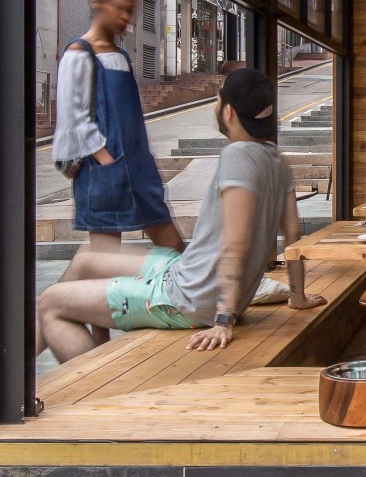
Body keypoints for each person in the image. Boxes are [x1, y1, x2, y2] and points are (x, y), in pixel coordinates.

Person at [37, 68, 326, 362]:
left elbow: (235, 244)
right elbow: (293, 235)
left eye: (217, 98)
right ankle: (49, 363)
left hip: (187, 298)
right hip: (188, 273)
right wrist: (297, 296)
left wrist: (223, 321)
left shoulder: (237, 155)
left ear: (228, 112)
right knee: (86, 260)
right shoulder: (277, 160)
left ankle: (91, 392)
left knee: (49, 303)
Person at [52, 0, 184, 254]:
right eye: (120, 8)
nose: (127, 17)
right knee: (105, 261)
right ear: (97, 2)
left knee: (173, 246)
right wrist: (105, 159)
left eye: (131, 10)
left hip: (137, 166)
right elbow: (72, 120)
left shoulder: (122, 55)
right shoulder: (78, 53)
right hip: (103, 172)